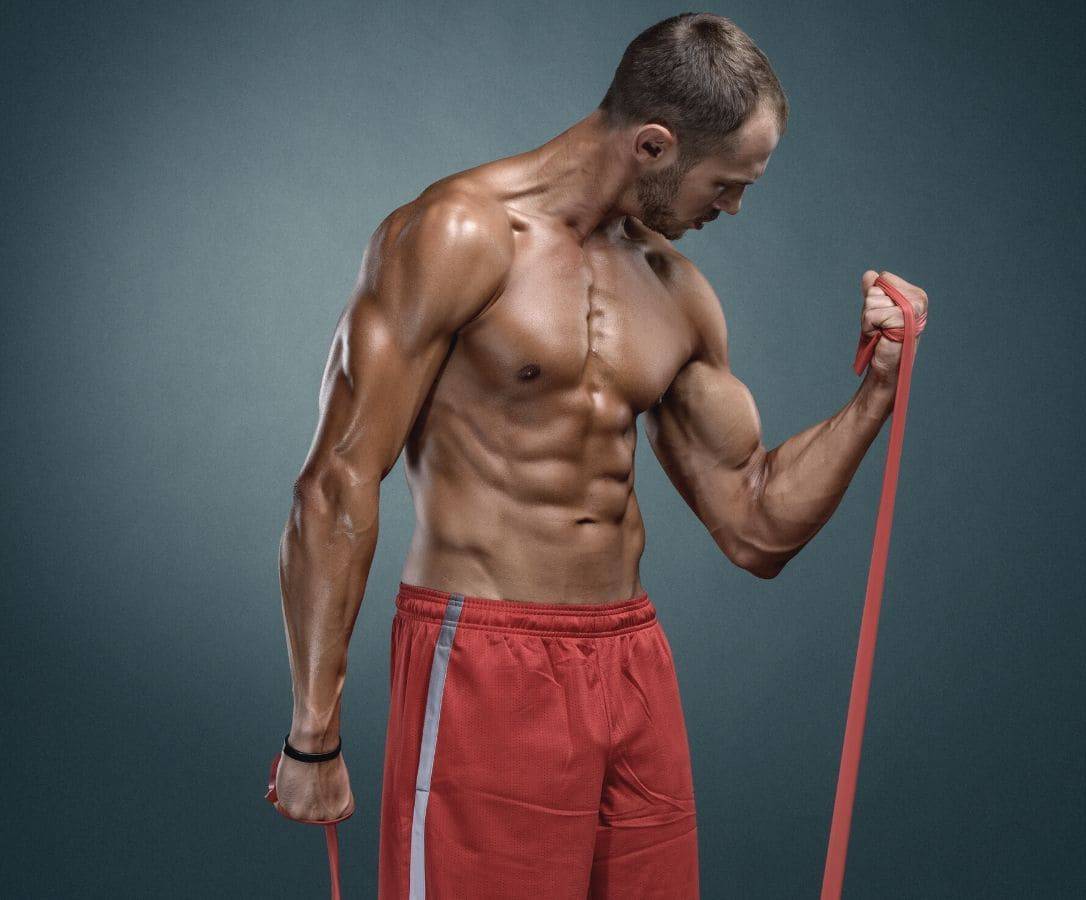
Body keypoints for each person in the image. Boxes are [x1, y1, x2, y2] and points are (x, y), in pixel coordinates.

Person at [267, 11, 929, 899]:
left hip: (631, 662)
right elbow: (337, 480)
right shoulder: (457, 236)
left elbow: (757, 523)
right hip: (486, 657)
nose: (732, 210)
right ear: (654, 145)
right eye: (728, 184)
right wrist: (315, 733)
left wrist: (876, 394)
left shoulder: (675, 290)